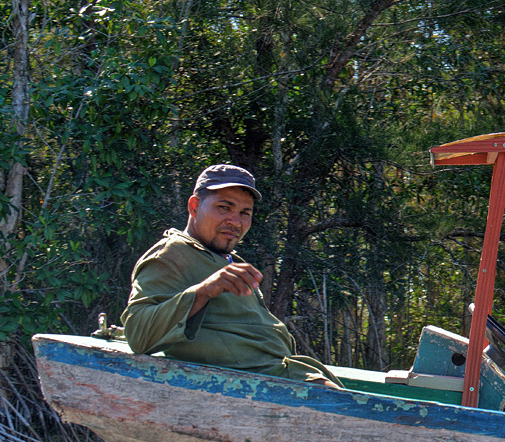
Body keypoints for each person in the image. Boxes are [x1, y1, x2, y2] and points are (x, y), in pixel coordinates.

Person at [122, 164, 343, 387]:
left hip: (284, 377)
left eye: (244, 213)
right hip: (252, 387)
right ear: (194, 206)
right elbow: (138, 335)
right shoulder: (172, 254)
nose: (235, 222)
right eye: (224, 207)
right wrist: (204, 291)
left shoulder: (230, 261)